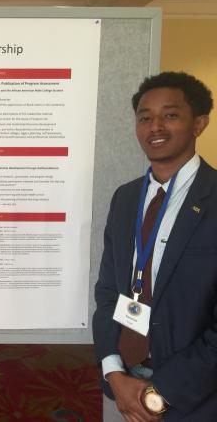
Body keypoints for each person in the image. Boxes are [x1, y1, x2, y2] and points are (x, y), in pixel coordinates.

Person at [93, 72, 216, 421]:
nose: (155, 127)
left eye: (170, 115)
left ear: (199, 123)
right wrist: (114, 373)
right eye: (145, 117)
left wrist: (160, 392)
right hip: (124, 384)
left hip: (195, 396)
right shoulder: (126, 198)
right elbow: (107, 293)